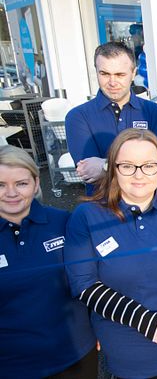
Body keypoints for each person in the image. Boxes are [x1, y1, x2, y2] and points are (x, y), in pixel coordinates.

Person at [64, 128, 157, 379]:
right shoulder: (87, 216)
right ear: (113, 168)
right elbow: (83, 284)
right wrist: (147, 322)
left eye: (149, 165)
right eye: (127, 166)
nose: (139, 175)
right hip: (130, 356)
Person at [0, 145, 97, 378]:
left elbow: (91, 277)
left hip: (75, 355)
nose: (11, 193)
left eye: (21, 183)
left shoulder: (64, 222)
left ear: (35, 183)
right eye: (1, 185)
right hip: (13, 365)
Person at [65, 41, 157, 195]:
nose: (112, 82)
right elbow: (89, 172)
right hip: (102, 208)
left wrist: (104, 166)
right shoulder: (77, 117)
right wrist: (140, 166)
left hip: (150, 208)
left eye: (120, 74)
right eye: (105, 74)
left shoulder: (155, 113)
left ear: (133, 73)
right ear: (96, 72)